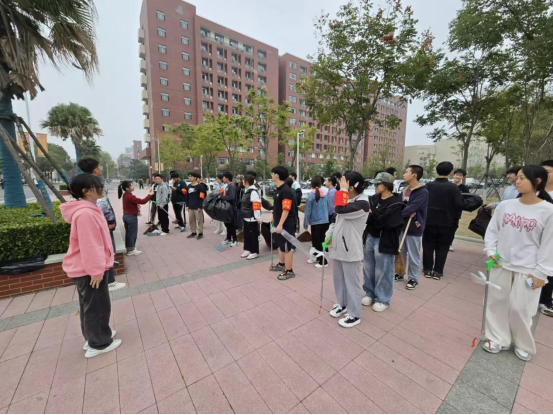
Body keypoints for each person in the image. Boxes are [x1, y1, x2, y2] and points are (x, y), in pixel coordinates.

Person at [483, 165, 553, 362]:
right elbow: (493, 231)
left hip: (529, 269)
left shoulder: (548, 211)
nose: (517, 181)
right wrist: (491, 252)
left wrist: (542, 272)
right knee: (496, 303)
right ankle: (497, 338)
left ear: (537, 181)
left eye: (523, 178)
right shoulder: (506, 206)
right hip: (500, 264)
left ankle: (523, 343)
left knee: (521, 308)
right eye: (518, 177)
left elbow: (549, 244)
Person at [60, 174, 122, 358]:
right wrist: (96, 272)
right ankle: (99, 343)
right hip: (90, 270)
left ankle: (94, 336)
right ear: (86, 191)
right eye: (98, 186)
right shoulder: (85, 213)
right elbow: (90, 245)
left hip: (88, 268)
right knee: (97, 306)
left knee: (90, 305)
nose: (102, 188)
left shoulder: (89, 209)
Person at [327, 172, 370, 328]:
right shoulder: (347, 199)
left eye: (343, 183)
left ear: (351, 187)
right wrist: (329, 234)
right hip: (338, 248)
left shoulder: (363, 204)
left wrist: (343, 191)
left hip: (351, 250)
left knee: (351, 283)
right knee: (338, 280)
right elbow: (335, 219)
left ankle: (354, 314)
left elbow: (340, 209)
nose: (340, 185)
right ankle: (343, 304)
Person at [77, 158, 125, 292]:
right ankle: (110, 281)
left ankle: (107, 280)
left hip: (97, 222)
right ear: (95, 170)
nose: (101, 169)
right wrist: (111, 221)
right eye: (99, 167)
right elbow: (103, 203)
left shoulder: (81, 181)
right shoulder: (94, 183)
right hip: (101, 224)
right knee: (108, 250)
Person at [362, 172, 404, 313]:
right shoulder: (374, 198)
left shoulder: (397, 202)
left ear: (386, 185)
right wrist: (374, 215)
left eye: (378, 184)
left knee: (384, 270)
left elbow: (385, 222)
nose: (375, 186)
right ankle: (369, 293)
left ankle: (383, 299)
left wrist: (372, 214)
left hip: (385, 240)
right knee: (368, 268)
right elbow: (368, 218)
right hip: (370, 236)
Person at [422, 162, 464, 281]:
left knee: (428, 245)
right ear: (450, 172)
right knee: (443, 247)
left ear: (437, 171)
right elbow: (459, 204)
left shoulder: (428, 186)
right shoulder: (453, 188)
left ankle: (427, 269)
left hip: (429, 221)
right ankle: (438, 271)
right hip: (446, 222)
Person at [396, 165, 429, 291]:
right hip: (402, 225)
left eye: (406, 172)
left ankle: (413, 278)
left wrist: (401, 212)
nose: (404, 174)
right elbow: (401, 205)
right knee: (401, 251)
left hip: (414, 226)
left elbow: (413, 207)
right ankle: (400, 273)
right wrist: (403, 211)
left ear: (414, 175)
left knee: (414, 255)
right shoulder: (405, 189)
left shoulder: (423, 192)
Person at [272, 166, 297, 280]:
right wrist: (273, 218)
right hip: (278, 223)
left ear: (277, 175)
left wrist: (280, 224)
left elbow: (286, 209)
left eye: (272, 173)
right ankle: (282, 264)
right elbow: (276, 207)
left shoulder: (286, 190)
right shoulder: (278, 189)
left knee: (287, 248)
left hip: (285, 225)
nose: (271, 175)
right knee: (280, 245)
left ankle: (289, 270)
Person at [118, 181, 154, 256]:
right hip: (131, 217)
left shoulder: (125, 195)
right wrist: (150, 195)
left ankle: (129, 248)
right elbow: (142, 201)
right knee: (132, 234)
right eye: (131, 186)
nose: (133, 186)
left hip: (126, 216)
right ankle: (131, 250)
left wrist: (135, 205)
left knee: (129, 233)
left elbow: (132, 203)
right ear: (127, 188)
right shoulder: (130, 196)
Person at [304, 177, 330, 268]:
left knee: (316, 242)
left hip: (316, 222)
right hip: (325, 221)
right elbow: (328, 208)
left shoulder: (311, 196)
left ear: (311, 185)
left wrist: (305, 224)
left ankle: (323, 261)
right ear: (320, 184)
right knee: (322, 241)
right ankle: (314, 257)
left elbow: (307, 211)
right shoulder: (325, 195)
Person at [539, 160, 553, 317]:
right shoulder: (532, 192)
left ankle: (546, 300)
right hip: (533, 239)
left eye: (547, 172)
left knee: (549, 269)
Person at [241, 175, 262, 260]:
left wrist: (258, 217)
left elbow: (256, 205)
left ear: (246, 181)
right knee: (247, 234)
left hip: (252, 218)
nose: (242, 181)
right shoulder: (246, 190)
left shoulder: (253, 192)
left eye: (243, 180)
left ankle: (254, 252)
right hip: (246, 217)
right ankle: (248, 249)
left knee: (253, 235)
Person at [450, 168, 470, 252]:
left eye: (460, 175)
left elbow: (467, 199)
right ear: (453, 175)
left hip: (456, 212)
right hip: (445, 210)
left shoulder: (464, 188)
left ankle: (449, 243)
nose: (458, 177)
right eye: (457, 175)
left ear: (463, 177)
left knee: (453, 228)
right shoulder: (448, 185)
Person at [186, 172, 207, 240]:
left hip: (197, 207)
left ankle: (200, 233)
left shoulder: (200, 187)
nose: (189, 178)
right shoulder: (189, 186)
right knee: (191, 220)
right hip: (190, 206)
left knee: (199, 220)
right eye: (189, 176)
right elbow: (187, 196)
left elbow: (202, 197)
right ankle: (193, 232)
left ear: (195, 178)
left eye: (191, 176)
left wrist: (200, 206)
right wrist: (187, 205)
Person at [221, 172, 238, 247]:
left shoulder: (232, 186)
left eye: (223, 177)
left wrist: (222, 197)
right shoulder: (228, 186)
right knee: (228, 224)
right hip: (227, 208)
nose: (222, 179)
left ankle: (235, 240)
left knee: (232, 224)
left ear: (227, 178)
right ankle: (228, 238)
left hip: (232, 208)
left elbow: (231, 197)